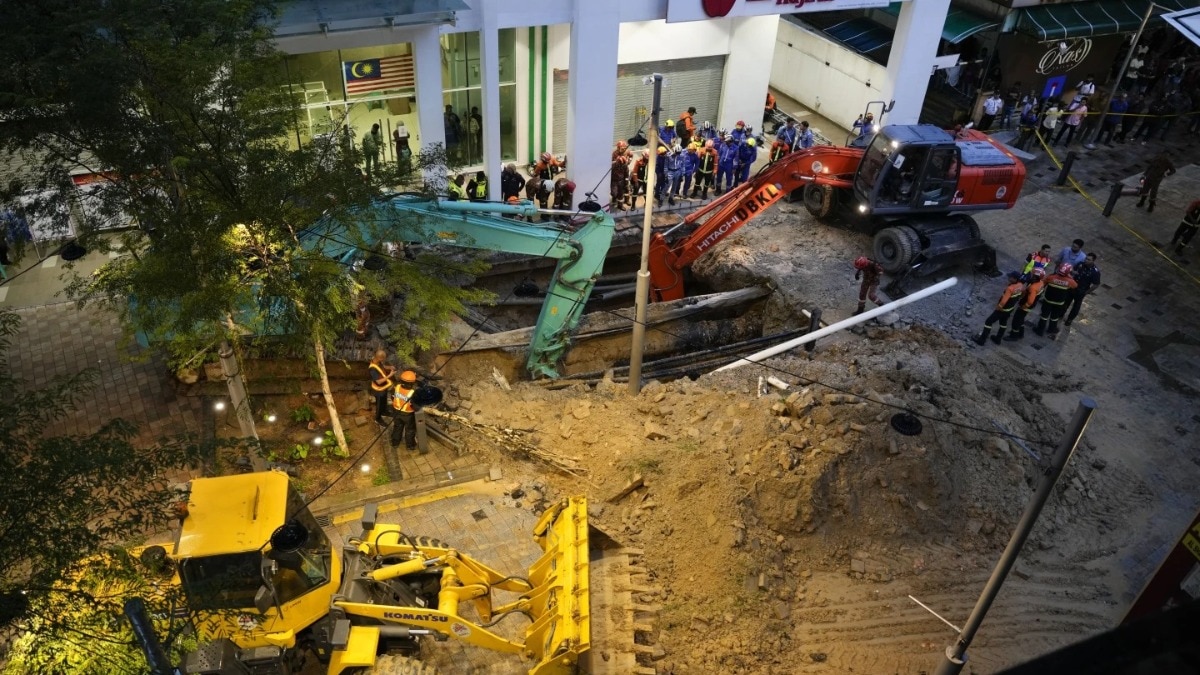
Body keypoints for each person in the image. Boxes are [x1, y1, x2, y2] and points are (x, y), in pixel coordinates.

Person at [973, 271, 1026, 345]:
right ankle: (998, 339)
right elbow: (1023, 292)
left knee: (988, 322)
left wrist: (999, 307)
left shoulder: (1010, 288)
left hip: (1002, 310)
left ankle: (982, 340)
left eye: (1010, 277)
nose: (1009, 277)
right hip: (1009, 309)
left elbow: (1004, 301)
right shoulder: (1021, 285)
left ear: (1015, 279)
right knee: (1003, 323)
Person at [1033, 263, 1078, 339]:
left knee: (1044, 316)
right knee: (1055, 317)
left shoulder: (1051, 277)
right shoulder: (1070, 281)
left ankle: (1040, 330)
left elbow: (1043, 283)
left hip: (1048, 301)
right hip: (1059, 303)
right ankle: (1051, 329)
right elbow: (1075, 286)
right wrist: (1069, 277)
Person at [1004, 268, 1046, 342]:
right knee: (1021, 319)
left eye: (1033, 275)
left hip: (1026, 306)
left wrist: (1024, 306)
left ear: (1036, 277)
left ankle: (1014, 336)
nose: (1031, 276)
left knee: (1016, 321)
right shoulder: (1040, 283)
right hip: (1030, 305)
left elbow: (1030, 301)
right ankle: (1020, 333)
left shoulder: (1033, 287)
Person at [1063, 253, 1101, 327]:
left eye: (1089, 259)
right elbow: (1073, 269)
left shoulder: (1095, 272)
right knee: (1066, 301)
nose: (1086, 260)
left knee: (1076, 306)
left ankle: (1069, 319)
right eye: (1086, 258)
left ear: (1093, 261)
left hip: (1081, 290)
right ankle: (1061, 314)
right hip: (1072, 287)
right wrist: (1073, 272)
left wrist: (1087, 292)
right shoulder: (1081, 264)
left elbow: (1096, 284)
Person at [390, 370, 419, 451]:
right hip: (408, 415)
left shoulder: (397, 387)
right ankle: (410, 446)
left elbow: (392, 397)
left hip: (396, 412)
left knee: (397, 428)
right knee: (409, 430)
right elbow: (415, 407)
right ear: (412, 383)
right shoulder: (413, 392)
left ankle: (395, 443)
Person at [368, 350, 395, 427]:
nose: (384, 360)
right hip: (378, 390)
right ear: (380, 358)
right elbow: (378, 382)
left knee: (384, 401)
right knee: (379, 405)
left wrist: (389, 367)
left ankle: (384, 411)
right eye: (383, 359)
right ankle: (378, 418)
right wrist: (390, 375)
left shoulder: (377, 360)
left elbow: (382, 367)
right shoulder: (372, 369)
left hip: (384, 387)